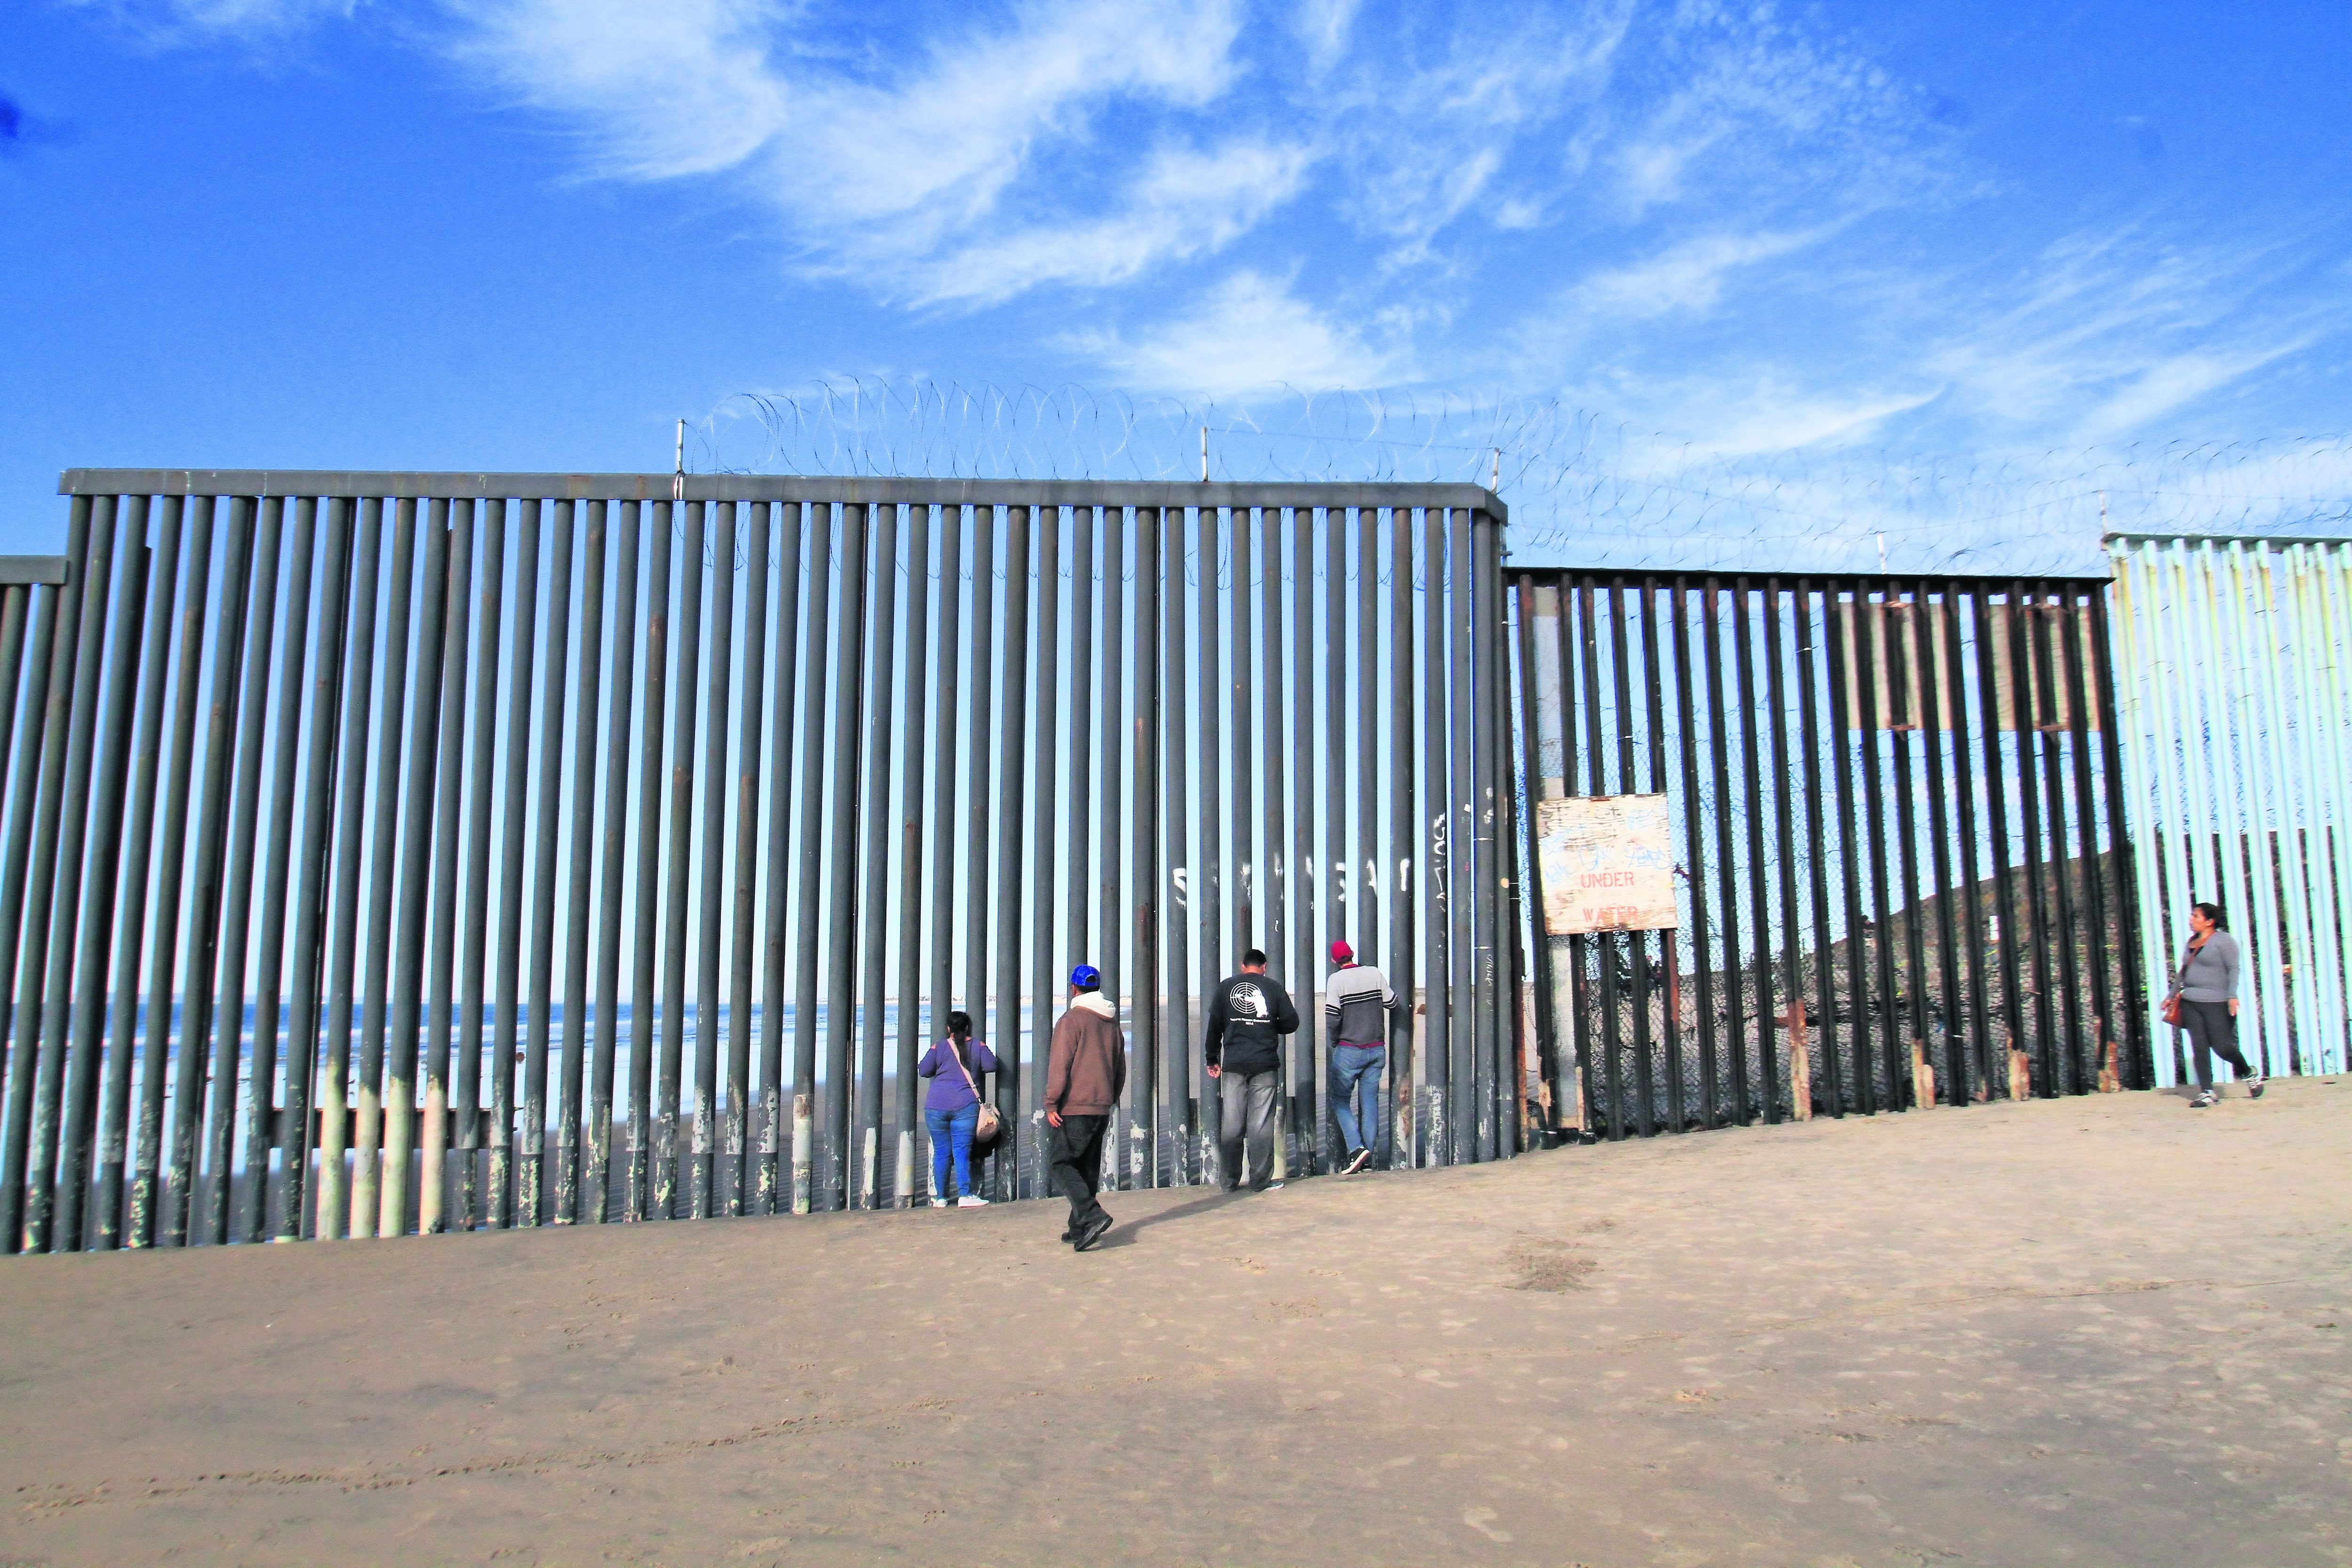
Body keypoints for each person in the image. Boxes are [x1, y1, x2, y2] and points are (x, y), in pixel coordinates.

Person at [1204, 948, 1299, 1193]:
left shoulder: (1226, 988)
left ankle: (1228, 1181)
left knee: (1233, 1124)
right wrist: (1270, 1026)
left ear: (1242, 965)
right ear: (1264, 966)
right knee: (1261, 1124)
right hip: (1265, 1064)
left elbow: (1214, 1026)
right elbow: (1292, 1022)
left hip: (1234, 1064)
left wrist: (1212, 1058)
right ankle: (1260, 1181)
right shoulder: (1274, 988)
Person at [1046, 964, 1126, 1251]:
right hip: (1101, 1106)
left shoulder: (1071, 1020)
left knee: (1060, 1163)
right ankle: (1078, 1227)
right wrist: (1109, 1098)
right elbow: (1120, 1068)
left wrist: (1051, 1102)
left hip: (1075, 1107)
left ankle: (1093, 1215)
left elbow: (1060, 1066)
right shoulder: (1111, 1024)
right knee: (1087, 1167)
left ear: (1074, 989)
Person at [2170, 901, 2261, 1109]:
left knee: (2222, 1047)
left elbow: (2233, 969)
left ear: (2210, 922)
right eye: (2192, 915)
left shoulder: (2223, 941)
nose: (2191, 920)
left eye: (2196, 917)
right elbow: (2183, 972)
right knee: (2199, 1046)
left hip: (2217, 1002)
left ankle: (2248, 1072)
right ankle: (2207, 1091)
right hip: (2191, 1002)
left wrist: (2232, 996)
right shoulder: (2192, 942)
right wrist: (2172, 994)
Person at [1324, 939, 1397, 1174]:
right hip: (1376, 1049)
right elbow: (1392, 1002)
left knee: (1340, 1101)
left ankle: (1357, 1149)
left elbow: (1332, 1017)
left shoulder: (1336, 980)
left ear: (1334, 961)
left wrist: (1335, 1040)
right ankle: (1366, 1161)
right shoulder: (1373, 973)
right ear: (1353, 954)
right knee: (1369, 1103)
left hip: (1349, 1050)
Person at [915, 1011, 999, 1207]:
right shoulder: (977, 1045)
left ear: (948, 1029)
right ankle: (965, 1195)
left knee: (942, 1152)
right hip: (965, 1105)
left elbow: (924, 1071)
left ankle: (941, 1198)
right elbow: (991, 1065)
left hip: (935, 1107)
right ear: (968, 1027)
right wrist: (981, 1048)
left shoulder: (939, 1046)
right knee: (961, 1151)